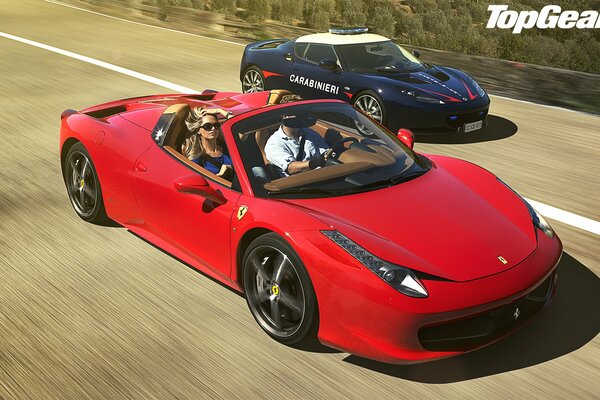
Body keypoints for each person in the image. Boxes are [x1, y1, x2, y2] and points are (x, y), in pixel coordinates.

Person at [264, 113, 330, 177]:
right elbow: (291, 168)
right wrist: (316, 163)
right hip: (297, 184)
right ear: (285, 116)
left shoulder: (309, 132)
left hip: (323, 176)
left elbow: (325, 152)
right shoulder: (274, 143)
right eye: (295, 113)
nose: (299, 116)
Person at [182, 107, 234, 179]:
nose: (213, 129)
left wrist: (219, 110)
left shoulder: (226, 146)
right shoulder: (197, 158)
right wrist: (220, 175)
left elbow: (241, 128)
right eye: (207, 126)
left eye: (216, 126)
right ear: (198, 130)